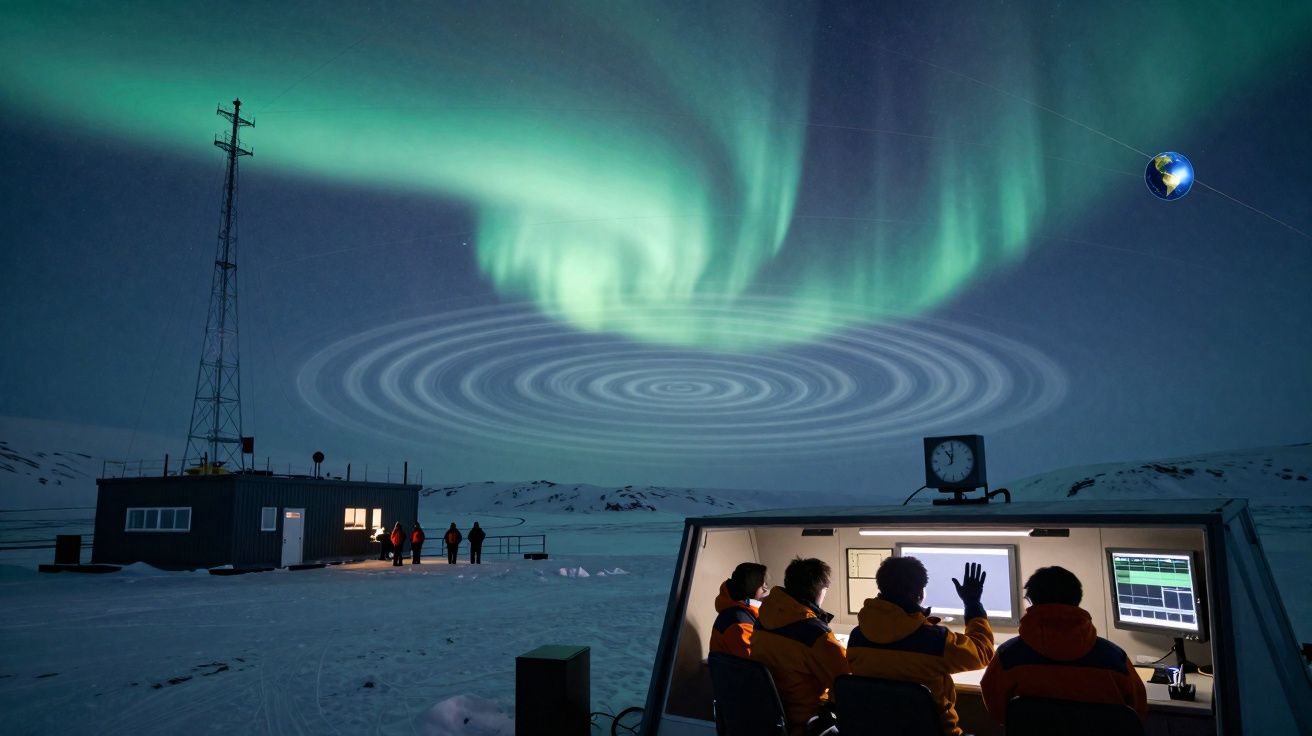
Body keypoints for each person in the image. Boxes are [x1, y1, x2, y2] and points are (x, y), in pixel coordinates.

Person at [980, 566, 1147, 725]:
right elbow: (1137, 714)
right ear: (1077, 600)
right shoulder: (1115, 659)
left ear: (1031, 602)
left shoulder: (1008, 656)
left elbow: (998, 712)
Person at [846, 557, 994, 736]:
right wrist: (973, 604)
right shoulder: (935, 641)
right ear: (919, 593)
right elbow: (984, 652)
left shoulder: (856, 637)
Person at [750, 557, 849, 736]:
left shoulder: (762, 620)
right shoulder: (815, 635)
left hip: (767, 718)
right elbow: (846, 685)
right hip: (805, 723)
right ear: (820, 590)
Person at [710, 562, 768, 659]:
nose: (765, 590)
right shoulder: (739, 622)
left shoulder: (732, 610)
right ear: (752, 586)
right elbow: (755, 659)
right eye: (762, 586)